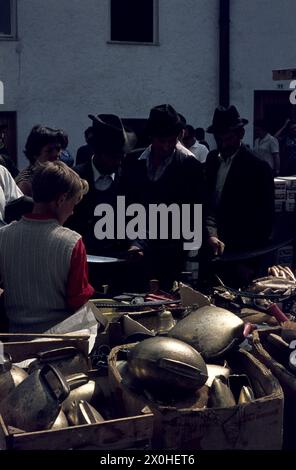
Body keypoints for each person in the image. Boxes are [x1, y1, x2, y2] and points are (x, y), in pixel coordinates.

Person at [0, 161, 94, 333]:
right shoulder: (72, 242)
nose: (73, 212)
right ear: (61, 199)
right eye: (73, 204)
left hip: (14, 339)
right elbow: (77, 301)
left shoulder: (3, 236)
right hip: (59, 343)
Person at [121, 104, 204, 289]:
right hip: (136, 250)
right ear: (151, 137)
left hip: (172, 254)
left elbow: (196, 210)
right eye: (161, 141)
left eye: (171, 140)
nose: (166, 146)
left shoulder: (190, 166)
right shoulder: (132, 162)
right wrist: (134, 242)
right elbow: (126, 205)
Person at [203, 105, 274, 285]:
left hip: (241, 255)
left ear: (241, 134)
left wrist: (249, 263)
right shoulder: (211, 160)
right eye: (219, 139)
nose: (224, 144)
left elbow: (264, 222)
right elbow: (206, 203)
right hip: (212, 251)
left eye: (229, 138)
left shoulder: (258, 168)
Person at [68, 113, 129, 256]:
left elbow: (138, 220)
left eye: (121, 156)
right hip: (82, 259)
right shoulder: (74, 178)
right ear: (98, 153)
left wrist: (135, 245)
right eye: (113, 157)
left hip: (119, 263)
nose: (118, 162)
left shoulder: (127, 179)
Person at [16, 125, 61, 196]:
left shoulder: (56, 174)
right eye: (49, 150)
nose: (56, 154)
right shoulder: (25, 183)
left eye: (58, 149)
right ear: (35, 154)